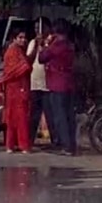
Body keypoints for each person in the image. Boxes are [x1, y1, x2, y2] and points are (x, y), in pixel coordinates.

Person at [38, 20, 78, 156]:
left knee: (59, 116)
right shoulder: (70, 46)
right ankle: (71, 144)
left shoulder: (56, 46)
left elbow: (42, 58)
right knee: (69, 116)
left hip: (57, 84)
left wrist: (45, 44)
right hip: (69, 84)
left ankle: (65, 145)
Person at [0, 30, 34, 153]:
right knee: (20, 117)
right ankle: (23, 146)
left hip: (15, 88)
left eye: (24, 37)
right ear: (14, 39)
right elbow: (17, 70)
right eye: (20, 37)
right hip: (16, 88)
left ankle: (11, 145)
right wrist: (26, 66)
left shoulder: (16, 51)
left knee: (13, 117)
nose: (23, 40)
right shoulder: (13, 51)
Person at [25, 18, 55, 148]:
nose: (38, 30)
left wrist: (44, 46)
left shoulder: (52, 42)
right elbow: (29, 59)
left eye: (41, 28)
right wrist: (37, 45)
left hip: (48, 84)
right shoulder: (33, 42)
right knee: (33, 115)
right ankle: (29, 141)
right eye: (36, 28)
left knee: (51, 114)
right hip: (34, 82)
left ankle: (56, 141)